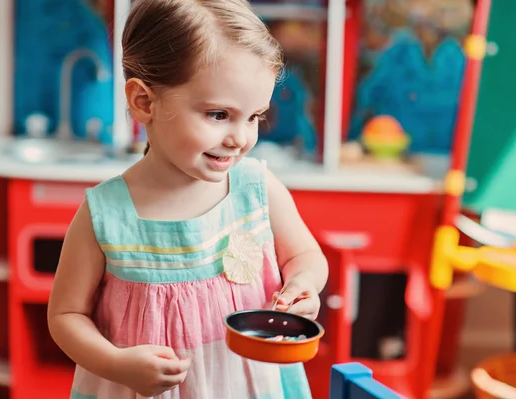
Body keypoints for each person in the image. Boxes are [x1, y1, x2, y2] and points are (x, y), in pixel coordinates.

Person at [47, 0, 328, 397]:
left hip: (248, 384)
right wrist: (116, 364)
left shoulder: (257, 189)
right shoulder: (105, 215)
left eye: (254, 117)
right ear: (144, 102)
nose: (241, 138)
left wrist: (303, 285)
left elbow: (305, 256)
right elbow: (65, 315)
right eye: (219, 114)